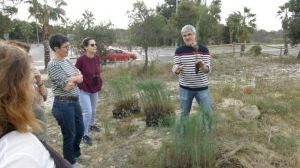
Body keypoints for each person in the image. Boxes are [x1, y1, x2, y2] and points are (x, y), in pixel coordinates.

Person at [0, 43, 55, 167]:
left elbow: (44, 96)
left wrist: (39, 81)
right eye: (29, 83)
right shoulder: (21, 155)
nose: (32, 90)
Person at [47, 34, 84, 166]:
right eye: (65, 47)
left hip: (74, 101)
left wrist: (73, 78)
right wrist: (74, 78)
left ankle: (75, 153)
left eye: (69, 46)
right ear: (56, 48)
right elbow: (66, 87)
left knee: (80, 129)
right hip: (63, 104)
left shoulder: (67, 61)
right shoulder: (53, 65)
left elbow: (80, 76)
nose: (68, 49)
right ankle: (70, 162)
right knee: (70, 134)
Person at [172, 25, 213, 131]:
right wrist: (176, 69)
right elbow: (175, 66)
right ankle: (183, 135)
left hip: (202, 89)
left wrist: (202, 65)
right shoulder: (179, 50)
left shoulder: (204, 50)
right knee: (184, 113)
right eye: (184, 35)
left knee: (207, 112)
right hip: (185, 88)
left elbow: (207, 70)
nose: (187, 37)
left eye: (189, 34)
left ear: (195, 35)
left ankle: (208, 134)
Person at [6, 40, 48, 141]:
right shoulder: (10, 82)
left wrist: (39, 81)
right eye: (25, 57)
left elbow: (45, 96)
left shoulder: (30, 73)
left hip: (39, 125)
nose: (28, 60)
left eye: (28, 56)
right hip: (26, 130)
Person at [75, 37, 102, 146]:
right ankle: (84, 134)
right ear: (86, 47)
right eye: (92, 45)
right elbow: (75, 72)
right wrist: (80, 80)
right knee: (88, 112)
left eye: (95, 44)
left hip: (94, 87)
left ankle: (92, 124)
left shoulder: (97, 58)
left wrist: (100, 82)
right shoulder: (81, 60)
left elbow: (99, 70)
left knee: (94, 110)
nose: (95, 46)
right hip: (84, 89)